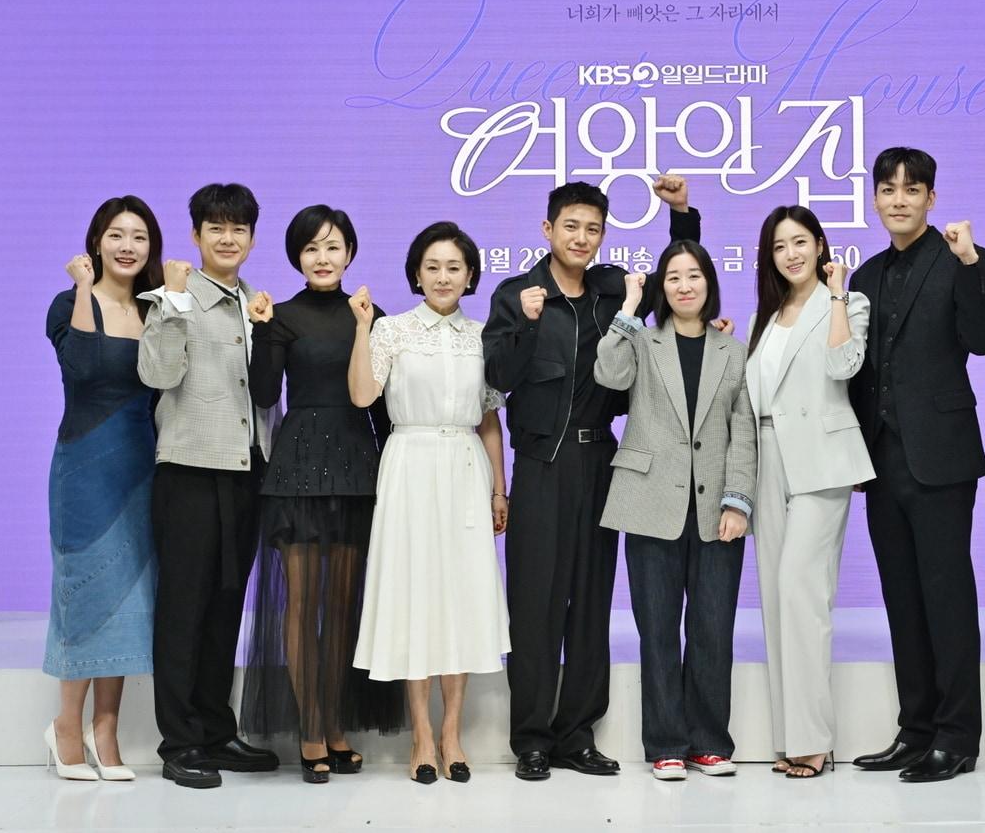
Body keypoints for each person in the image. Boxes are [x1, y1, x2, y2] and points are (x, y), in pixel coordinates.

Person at [483, 176, 700, 781]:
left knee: (591, 604)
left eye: (593, 229)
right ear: (548, 229)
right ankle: (531, 738)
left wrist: (681, 215)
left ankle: (576, 735)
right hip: (541, 465)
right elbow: (496, 377)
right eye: (570, 226)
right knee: (535, 605)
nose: (581, 238)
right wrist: (527, 325)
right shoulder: (516, 294)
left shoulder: (612, 290)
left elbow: (679, 283)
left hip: (603, 464)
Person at [848, 147, 985, 782]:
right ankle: (916, 730)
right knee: (902, 599)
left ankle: (958, 736)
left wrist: (970, 264)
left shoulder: (961, 258)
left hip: (940, 456)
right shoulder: (864, 276)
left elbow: (984, 339)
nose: (899, 199)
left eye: (912, 189)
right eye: (888, 189)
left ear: (932, 199)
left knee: (947, 596)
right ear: (875, 199)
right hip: (881, 459)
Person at [239, 205, 402, 784]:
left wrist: (395, 472)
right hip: (300, 469)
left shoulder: (371, 316)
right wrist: (262, 330)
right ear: (297, 257)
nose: (323, 258)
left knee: (343, 607)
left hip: (357, 469)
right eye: (311, 248)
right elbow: (264, 394)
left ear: (350, 253)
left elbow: (382, 407)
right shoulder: (281, 316)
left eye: (333, 247)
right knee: (302, 603)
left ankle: (335, 724)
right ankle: (310, 728)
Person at [350, 222, 510, 786]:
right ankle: (421, 735)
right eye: (433, 267)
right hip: (410, 464)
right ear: (416, 273)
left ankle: (452, 734)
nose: (443, 277)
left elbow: (489, 420)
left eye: (454, 268)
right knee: (415, 596)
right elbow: (363, 395)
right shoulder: (391, 329)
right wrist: (363, 329)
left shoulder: (484, 336)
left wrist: (498, 488)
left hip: (465, 464)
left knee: (462, 597)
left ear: (470, 276)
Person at [595, 240, 757, 782]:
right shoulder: (642, 340)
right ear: (661, 288)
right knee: (658, 630)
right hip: (649, 501)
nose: (685, 286)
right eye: (673, 277)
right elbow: (608, 374)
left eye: (694, 276)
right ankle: (666, 743)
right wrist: (628, 307)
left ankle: (709, 742)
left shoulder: (733, 350)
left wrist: (739, 500)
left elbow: (743, 431)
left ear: (710, 282)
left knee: (713, 630)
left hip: (716, 509)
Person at [137, 183, 279, 788]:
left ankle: (217, 732)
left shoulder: (254, 302)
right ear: (195, 235)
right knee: (183, 611)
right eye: (215, 227)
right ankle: (179, 743)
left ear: (252, 238)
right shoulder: (175, 297)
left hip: (245, 472)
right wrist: (171, 302)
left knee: (225, 609)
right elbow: (157, 373)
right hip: (190, 472)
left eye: (238, 228)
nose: (228, 238)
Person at [744, 206, 873, 779]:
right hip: (767, 458)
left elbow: (845, 365)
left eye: (800, 242)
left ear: (820, 245)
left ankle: (815, 740)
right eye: (779, 246)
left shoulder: (848, 301)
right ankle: (788, 736)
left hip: (821, 460)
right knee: (776, 598)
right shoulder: (765, 317)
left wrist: (838, 292)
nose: (791, 254)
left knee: (803, 591)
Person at [42, 197, 165, 781]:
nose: (127, 246)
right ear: (96, 242)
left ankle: (106, 728)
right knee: (85, 592)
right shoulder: (68, 303)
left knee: (130, 598)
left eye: (138, 236)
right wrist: (85, 288)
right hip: (84, 469)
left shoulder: (156, 308)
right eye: (116, 234)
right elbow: (85, 368)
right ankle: (67, 725)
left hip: (142, 467)